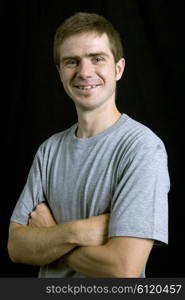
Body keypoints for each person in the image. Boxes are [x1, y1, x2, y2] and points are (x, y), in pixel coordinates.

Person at [8, 12, 170, 278]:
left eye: (97, 59)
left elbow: (123, 270)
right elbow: (16, 246)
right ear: (60, 73)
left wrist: (50, 232)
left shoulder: (142, 148)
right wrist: (79, 232)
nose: (84, 72)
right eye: (72, 62)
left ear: (118, 69)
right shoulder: (49, 150)